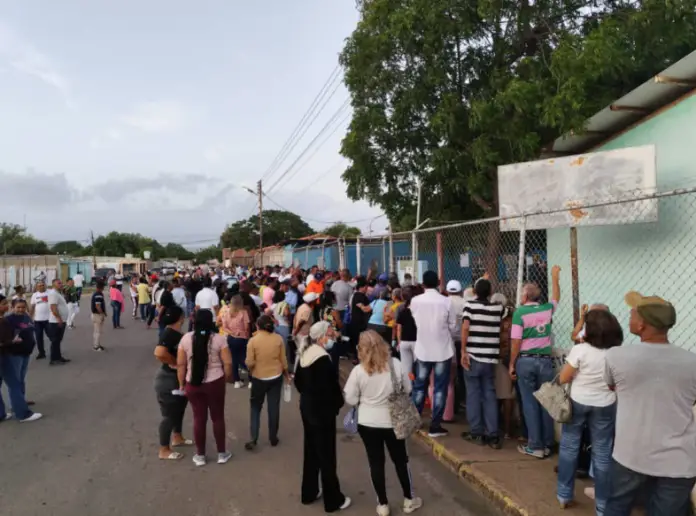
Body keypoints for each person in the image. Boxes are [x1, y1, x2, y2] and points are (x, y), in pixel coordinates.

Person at [603, 292, 696, 516]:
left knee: (617, 506)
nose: (629, 316)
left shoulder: (616, 356)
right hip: (679, 460)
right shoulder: (692, 362)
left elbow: (612, 387)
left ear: (642, 324)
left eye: (632, 313)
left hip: (631, 453)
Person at [344, 330, 423, 515]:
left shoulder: (358, 371)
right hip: (393, 422)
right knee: (401, 460)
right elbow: (408, 388)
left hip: (367, 422)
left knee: (376, 463)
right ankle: (409, 499)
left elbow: (351, 398)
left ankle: (383, 504)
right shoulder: (395, 365)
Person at [556, 309, 622, 512]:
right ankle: (602, 506)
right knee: (602, 453)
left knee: (569, 446)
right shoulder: (617, 353)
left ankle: (564, 494)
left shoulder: (580, 350)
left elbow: (563, 378)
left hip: (578, 402)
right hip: (605, 404)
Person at [294, 321, 351, 512]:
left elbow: (298, 382)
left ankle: (309, 492)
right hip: (322, 412)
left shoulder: (305, 353)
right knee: (327, 455)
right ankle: (333, 500)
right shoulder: (322, 359)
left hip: (307, 408)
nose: (332, 335)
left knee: (311, 451)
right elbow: (332, 389)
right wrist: (337, 405)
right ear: (321, 337)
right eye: (329, 333)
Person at [509, 265, 561, 458]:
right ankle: (548, 442)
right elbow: (556, 297)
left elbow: (516, 341)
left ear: (525, 296)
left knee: (530, 403)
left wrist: (512, 364)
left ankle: (535, 445)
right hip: (545, 361)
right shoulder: (547, 309)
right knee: (546, 401)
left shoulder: (519, 313)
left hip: (526, 361)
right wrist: (555, 277)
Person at [176, 309, 233, 467]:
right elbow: (228, 363)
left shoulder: (186, 339)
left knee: (198, 419)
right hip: (215, 382)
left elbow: (181, 364)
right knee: (218, 417)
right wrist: (226, 378)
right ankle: (222, 453)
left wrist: (181, 384)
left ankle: (200, 455)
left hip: (193, 384)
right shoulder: (219, 339)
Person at [410, 270, 457, 438]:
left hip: (422, 349)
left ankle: (415, 420)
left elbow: (415, 320)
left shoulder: (415, 301)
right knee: (439, 388)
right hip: (442, 350)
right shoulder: (446, 302)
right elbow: (453, 326)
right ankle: (435, 425)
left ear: (423, 284)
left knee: (419, 387)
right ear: (438, 282)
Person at [460, 278, 504, 449]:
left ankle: (476, 432)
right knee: (489, 395)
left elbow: (465, 327)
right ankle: (493, 434)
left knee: (473, 394)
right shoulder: (498, 309)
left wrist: (463, 351)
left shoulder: (470, 306)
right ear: (491, 293)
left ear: (475, 292)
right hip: (490, 357)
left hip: (473, 355)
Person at [244, 315, 289, 451]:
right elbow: (283, 360)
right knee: (273, 408)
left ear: (258, 326)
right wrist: (287, 375)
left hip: (259, 377)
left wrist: (251, 370)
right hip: (276, 376)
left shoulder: (253, 341)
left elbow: (249, 362)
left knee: (256, 408)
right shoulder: (278, 339)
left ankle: (254, 438)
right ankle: (273, 437)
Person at [153, 306, 192, 461]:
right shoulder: (169, 333)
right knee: (169, 414)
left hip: (177, 379)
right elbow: (159, 352)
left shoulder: (174, 333)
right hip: (168, 379)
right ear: (180, 318)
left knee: (179, 409)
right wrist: (175, 363)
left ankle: (177, 437)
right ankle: (164, 449)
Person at [0, 296, 42, 422]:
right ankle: (22, 413)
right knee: (15, 384)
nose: (6, 306)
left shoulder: (4, 319)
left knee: (15, 383)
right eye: (3, 304)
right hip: (5, 355)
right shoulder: (5, 321)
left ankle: (1, 414)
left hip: (9, 354)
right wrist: (11, 341)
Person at [221, 294, 251, 388]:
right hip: (242, 338)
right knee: (245, 358)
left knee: (234, 359)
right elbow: (247, 327)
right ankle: (251, 380)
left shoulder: (227, 313)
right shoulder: (243, 312)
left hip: (230, 338)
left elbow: (224, 327)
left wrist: (232, 332)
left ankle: (237, 381)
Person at [47, 279, 70, 365]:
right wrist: (58, 318)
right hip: (55, 321)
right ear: (53, 284)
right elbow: (53, 307)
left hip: (61, 320)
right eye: (59, 283)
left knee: (58, 340)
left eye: (61, 282)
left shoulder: (58, 293)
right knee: (55, 340)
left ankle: (58, 357)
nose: (61, 284)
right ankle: (54, 359)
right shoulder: (53, 294)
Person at [396, 287, 417, 377]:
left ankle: (407, 387)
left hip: (404, 342)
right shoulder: (417, 312)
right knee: (418, 366)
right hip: (416, 342)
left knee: (406, 368)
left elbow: (399, 328)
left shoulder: (403, 311)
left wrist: (399, 342)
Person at [270, 290, 292, 371]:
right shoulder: (284, 304)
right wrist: (289, 314)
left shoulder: (273, 305)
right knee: (284, 348)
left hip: (276, 326)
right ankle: (284, 368)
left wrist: (273, 319)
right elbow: (286, 313)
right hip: (284, 326)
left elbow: (267, 313)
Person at [29, 281, 50, 359]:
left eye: (42, 285)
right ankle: (41, 353)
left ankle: (55, 350)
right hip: (37, 320)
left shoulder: (49, 293)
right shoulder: (35, 295)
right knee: (38, 337)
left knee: (52, 336)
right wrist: (30, 318)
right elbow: (32, 307)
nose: (41, 287)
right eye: (39, 286)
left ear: (45, 285)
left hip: (48, 319)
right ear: (37, 287)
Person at [91, 280, 107, 351]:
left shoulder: (96, 293)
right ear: (102, 287)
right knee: (98, 331)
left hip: (95, 314)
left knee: (96, 331)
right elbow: (97, 306)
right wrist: (102, 313)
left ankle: (97, 344)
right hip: (97, 315)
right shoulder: (98, 294)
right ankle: (96, 346)